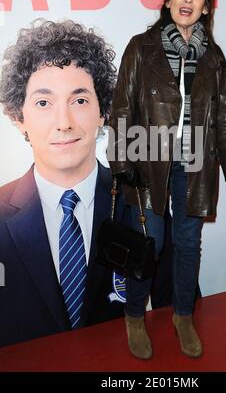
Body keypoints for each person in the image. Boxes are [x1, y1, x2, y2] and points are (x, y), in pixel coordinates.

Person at [108, 0, 226, 360]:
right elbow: (121, 108)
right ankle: (135, 315)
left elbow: (224, 118)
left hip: (195, 161)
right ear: (168, 0)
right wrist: (121, 158)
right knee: (148, 243)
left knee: (188, 243)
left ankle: (183, 315)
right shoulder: (141, 47)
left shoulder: (214, 58)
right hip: (147, 156)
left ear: (206, 6)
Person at [0, 19, 129, 347]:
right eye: (44, 103)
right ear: (19, 118)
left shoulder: (141, 203)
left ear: (102, 112)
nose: (64, 122)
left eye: (80, 100)